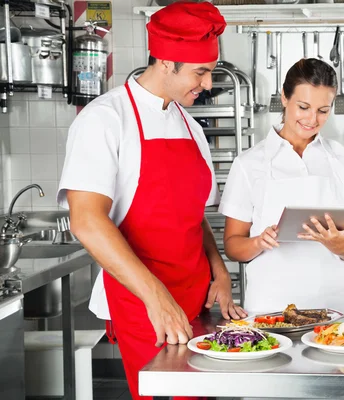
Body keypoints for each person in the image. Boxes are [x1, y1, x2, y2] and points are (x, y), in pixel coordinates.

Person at [57, 2, 246, 399]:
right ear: (165, 62)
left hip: (196, 303)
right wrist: (156, 297)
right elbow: (88, 221)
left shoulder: (190, 125)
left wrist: (220, 270)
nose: (209, 84)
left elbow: (192, 218)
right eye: (200, 72)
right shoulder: (105, 120)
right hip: (144, 305)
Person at [219, 58, 344, 313]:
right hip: (271, 308)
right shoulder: (249, 163)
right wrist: (258, 242)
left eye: (323, 110)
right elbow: (233, 246)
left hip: (336, 306)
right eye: (303, 106)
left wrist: (340, 246)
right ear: (284, 98)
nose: (312, 119)